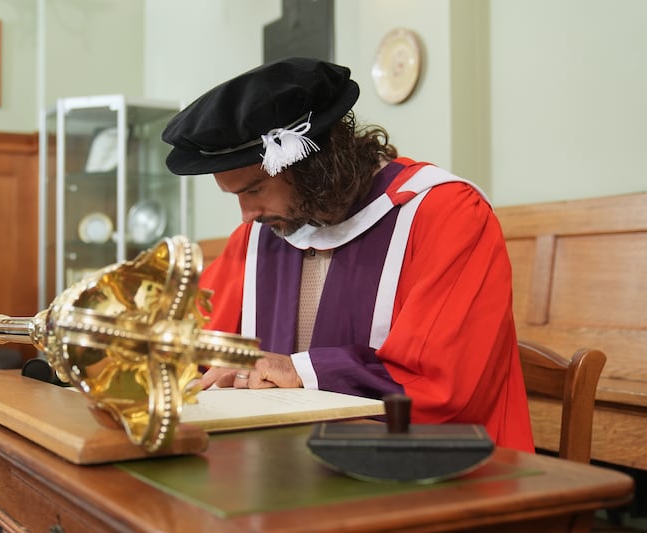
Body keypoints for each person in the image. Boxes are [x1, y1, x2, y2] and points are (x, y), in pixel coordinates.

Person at [162, 57, 534, 452]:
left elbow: (443, 385)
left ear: (309, 164)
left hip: (436, 474)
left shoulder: (445, 216)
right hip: (290, 469)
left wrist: (300, 370)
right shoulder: (258, 237)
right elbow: (198, 348)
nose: (246, 215)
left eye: (253, 190)